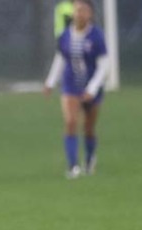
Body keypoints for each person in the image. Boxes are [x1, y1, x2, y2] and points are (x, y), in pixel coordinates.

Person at [44, 0, 109, 179]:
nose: (79, 14)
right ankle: (72, 166)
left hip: (91, 86)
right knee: (71, 122)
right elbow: (60, 59)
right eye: (77, 10)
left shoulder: (96, 36)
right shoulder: (65, 35)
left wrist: (92, 89)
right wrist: (50, 82)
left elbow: (104, 65)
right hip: (71, 85)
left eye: (83, 10)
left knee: (88, 127)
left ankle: (89, 158)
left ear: (90, 14)